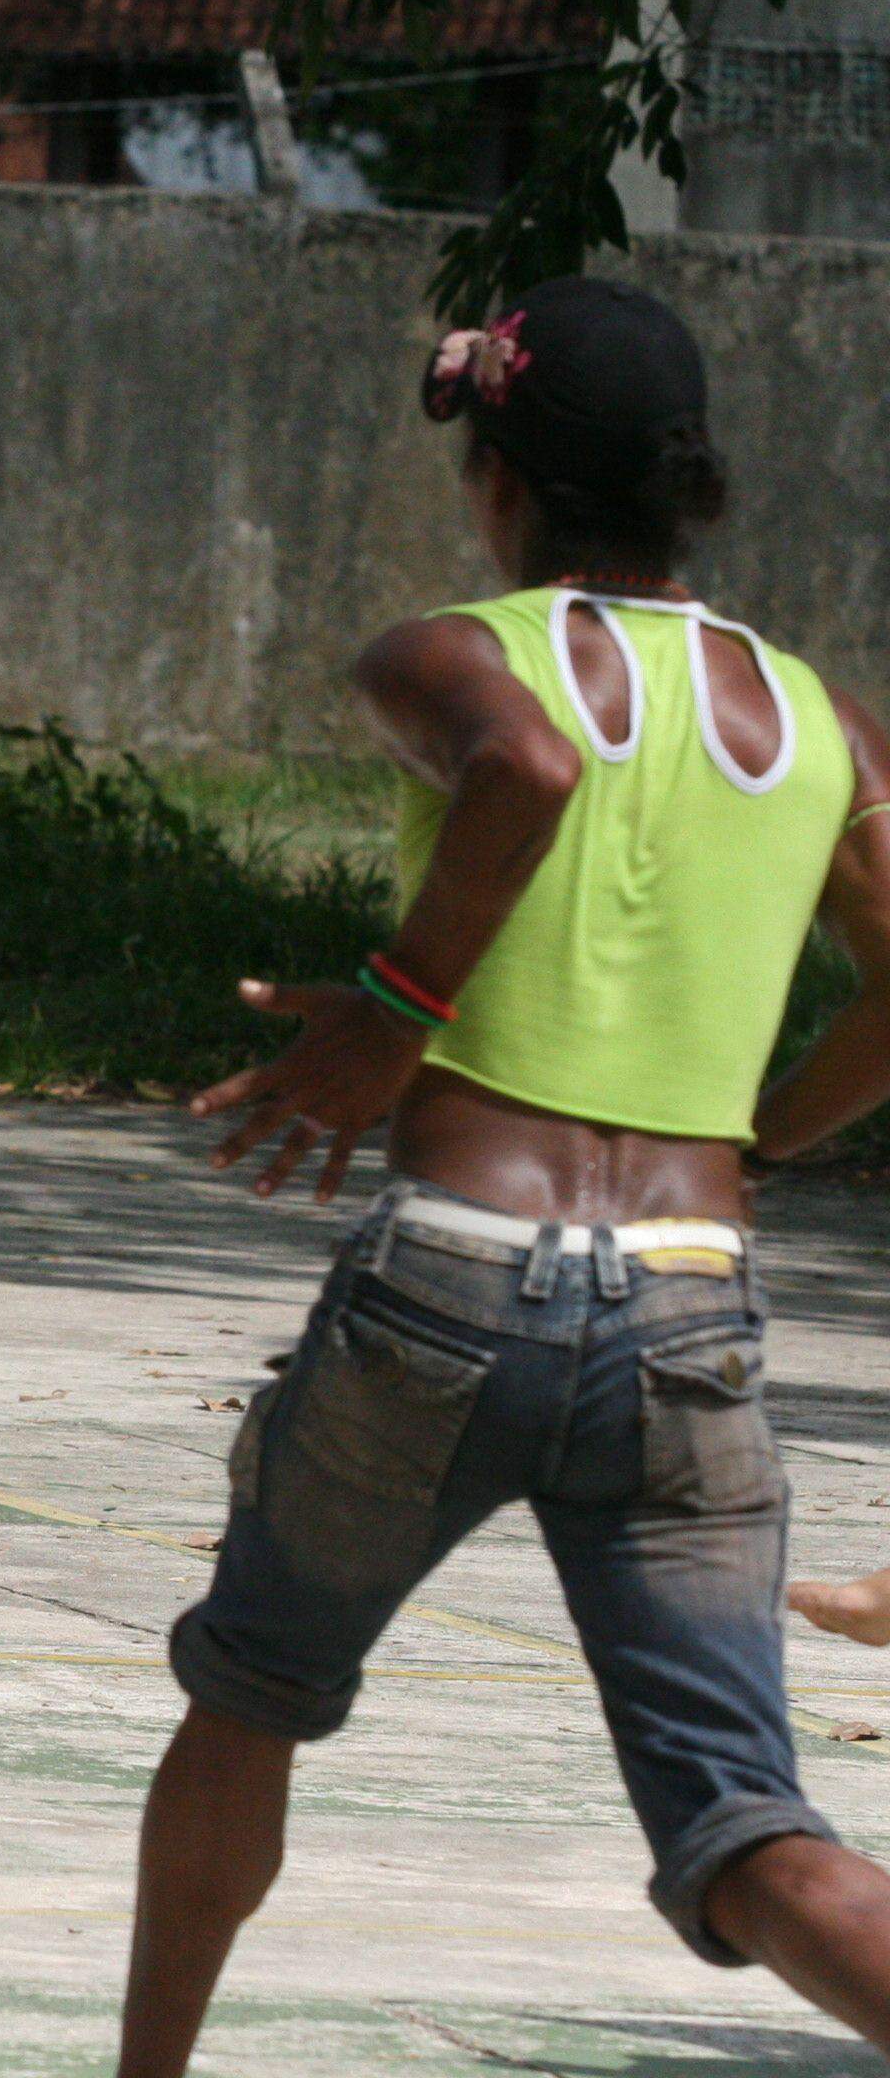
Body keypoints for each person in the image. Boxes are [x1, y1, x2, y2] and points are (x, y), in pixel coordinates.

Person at [120, 277, 890, 2071]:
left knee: (246, 1697)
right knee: (748, 1835)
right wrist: (751, 1137)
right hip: (688, 1310)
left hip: (449, 1283)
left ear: (495, 480)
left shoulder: (449, 654)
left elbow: (525, 768)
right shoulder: (817, 720)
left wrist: (387, 1017)